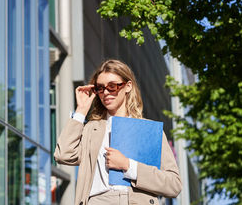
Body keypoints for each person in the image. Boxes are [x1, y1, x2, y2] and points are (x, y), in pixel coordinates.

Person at [54, 59, 182, 205]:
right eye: (100, 88)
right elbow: (63, 155)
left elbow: (174, 185)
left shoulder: (149, 131)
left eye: (112, 86)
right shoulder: (92, 128)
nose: (106, 92)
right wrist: (81, 110)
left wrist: (128, 166)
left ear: (127, 86)